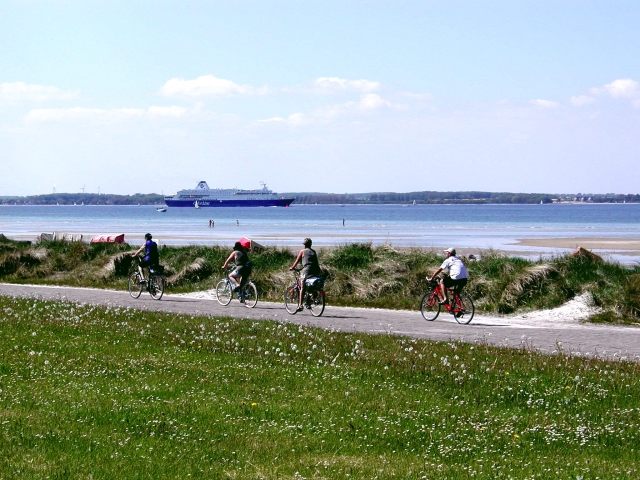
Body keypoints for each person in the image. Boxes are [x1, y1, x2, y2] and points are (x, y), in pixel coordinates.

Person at [289, 237, 322, 312]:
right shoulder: (313, 251)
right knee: (311, 285)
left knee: (302, 287)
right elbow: (316, 263)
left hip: (306, 271)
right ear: (311, 244)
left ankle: (300, 305)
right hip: (315, 271)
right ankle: (309, 301)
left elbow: (297, 261)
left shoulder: (302, 251)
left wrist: (292, 267)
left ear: (305, 245)